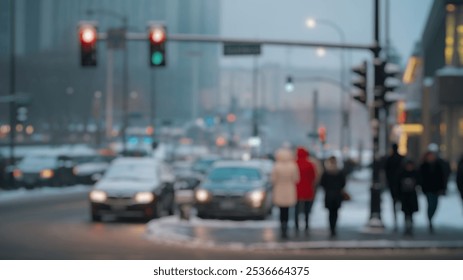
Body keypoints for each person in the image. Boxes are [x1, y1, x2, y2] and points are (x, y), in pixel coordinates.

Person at [271, 146, 299, 239]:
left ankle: (282, 226)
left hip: (279, 189)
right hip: (289, 189)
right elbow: (296, 179)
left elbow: (273, 179)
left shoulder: (276, 166)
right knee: (287, 210)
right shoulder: (293, 166)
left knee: (281, 210)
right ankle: (286, 226)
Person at [419, 150, 446, 233]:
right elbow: (421, 178)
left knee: (435, 205)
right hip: (428, 189)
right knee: (430, 204)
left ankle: (430, 218)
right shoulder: (424, 166)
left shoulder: (438, 165)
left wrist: (442, 188)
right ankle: (430, 220)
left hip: (436, 189)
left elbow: (442, 177)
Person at [320, 156, 346, 237]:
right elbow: (343, 183)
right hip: (337, 194)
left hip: (329, 194)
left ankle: (331, 228)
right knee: (335, 212)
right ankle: (334, 228)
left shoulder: (326, 172)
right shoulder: (339, 172)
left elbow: (322, 183)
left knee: (330, 213)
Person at [294, 147, 316, 235]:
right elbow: (313, 176)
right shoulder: (310, 164)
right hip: (308, 188)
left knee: (297, 209)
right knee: (307, 209)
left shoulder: (294, 164)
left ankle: (297, 225)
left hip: (297, 189)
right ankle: (306, 224)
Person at [384, 143, 404, 231]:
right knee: (400, 202)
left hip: (394, 184)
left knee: (395, 202)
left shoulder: (390, 159)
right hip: (399, 184)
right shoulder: (401, 158)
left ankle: (396, 220)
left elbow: (386, 171)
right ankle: (402, 220)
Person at [396, 159, 419, 236]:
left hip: (412, 196)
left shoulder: (415, 173)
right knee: (406, 213)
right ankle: (407, 226)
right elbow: (398, 185)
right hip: (405, 196)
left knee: (411, 212)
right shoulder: (402, 174)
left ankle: (410, 226)